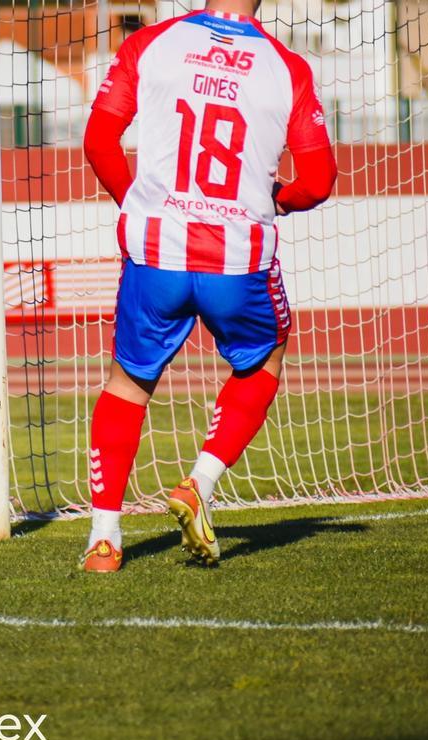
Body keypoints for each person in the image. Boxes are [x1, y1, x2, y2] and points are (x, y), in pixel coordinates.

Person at [80, 0, 337, 571]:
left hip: (156, 251)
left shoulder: (152, 43)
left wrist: (139, 205)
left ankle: (104, 539)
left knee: (127, 383)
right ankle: (200, 481)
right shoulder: (286, 67)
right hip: (237, 258)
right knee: (264, 360)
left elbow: (99, 141)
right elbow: (318, 181)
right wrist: (278, 200)